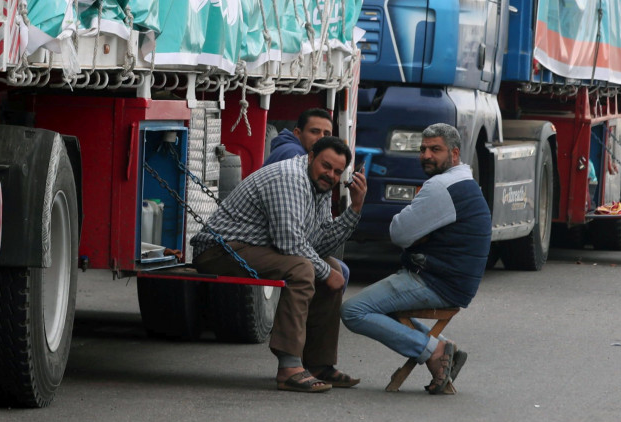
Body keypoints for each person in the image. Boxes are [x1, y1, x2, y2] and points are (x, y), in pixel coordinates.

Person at [191, 136, 367, 393]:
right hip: (220, 250)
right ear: (310, 157)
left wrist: (355, 207)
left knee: (333, 267)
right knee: (304, 269)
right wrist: (325, 272)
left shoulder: (320, 186)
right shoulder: (290, 179)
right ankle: (289, 368)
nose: (330, 175)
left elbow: (319, 244)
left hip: (260, 248)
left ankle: (319, 364)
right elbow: (291, 243)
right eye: (325, 166)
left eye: (337, 171)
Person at [341, 123, 492, 395]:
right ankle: (445, 348)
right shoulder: (464, 181)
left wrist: (417, 230)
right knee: (378, 306)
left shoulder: (441, 187)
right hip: (454, 280)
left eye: (436, 149)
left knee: (353, 311)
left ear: (455, 154)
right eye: (423, 149)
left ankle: (435, 350)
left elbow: (398, 233)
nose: (426, 155)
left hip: (437, 281)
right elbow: (411, 234)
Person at [264, 108, 334, 165]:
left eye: (326, 134)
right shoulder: (294, 154)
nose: (321, 137)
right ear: (297, 133)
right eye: (314, 132)